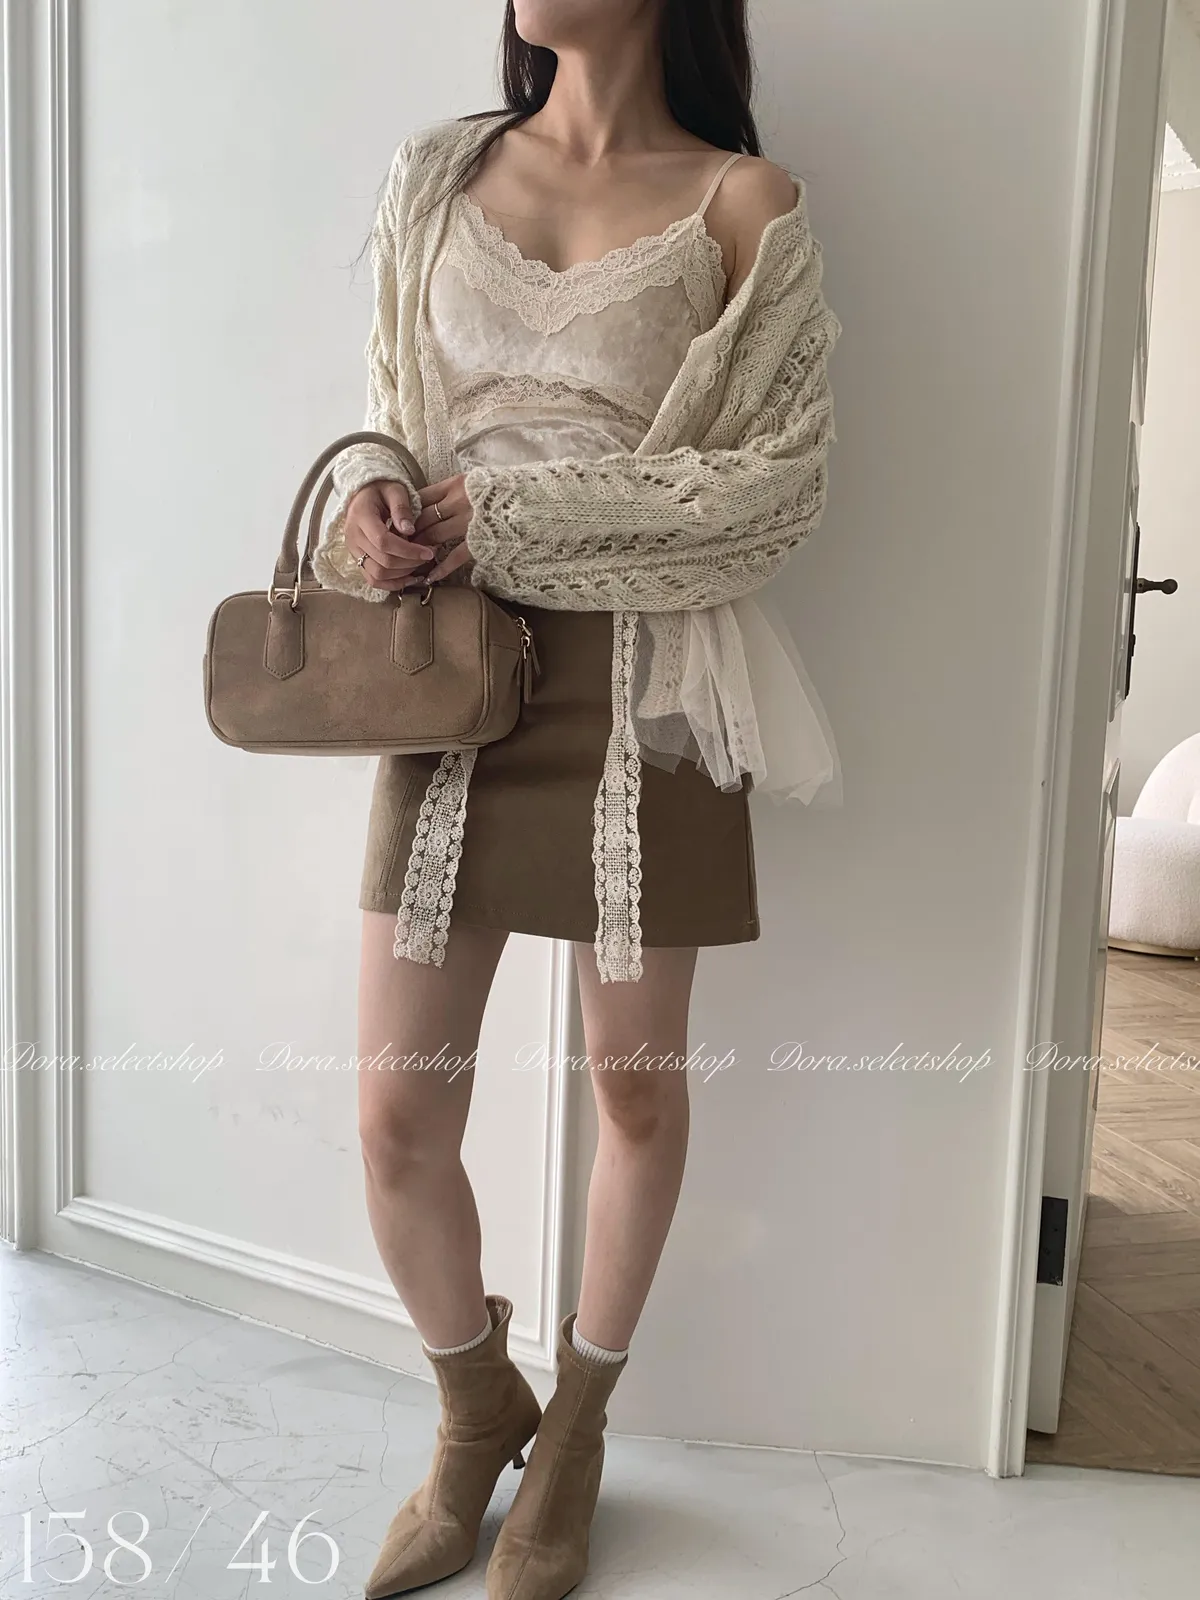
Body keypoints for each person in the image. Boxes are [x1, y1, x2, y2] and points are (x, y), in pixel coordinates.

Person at [310, 3, 841, 1596]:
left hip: (647, 688)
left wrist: (518, 513)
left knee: (635, 1092)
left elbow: (778, 488)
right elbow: (393, 401)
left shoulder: (744, 202)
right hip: (447, 680)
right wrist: (375, 503)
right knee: (395, 1116)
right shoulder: (435, 174)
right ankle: (479, 1410)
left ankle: (581, 1433)